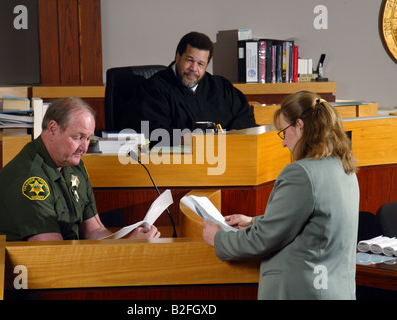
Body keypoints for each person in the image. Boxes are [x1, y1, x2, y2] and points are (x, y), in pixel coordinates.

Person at [202, 91, 359, 300]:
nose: (284, 143)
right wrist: (253, 221)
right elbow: (316, 223)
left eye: (284, 132)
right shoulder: (343, 167)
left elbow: (263, 239)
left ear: (300, 126)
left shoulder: (301, 173)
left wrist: (219, 239)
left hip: (303, 292)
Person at [0, 97, 160, 241]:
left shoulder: (73, 164)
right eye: (78, 137)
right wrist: (126, 248)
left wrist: (128, 242)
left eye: (88, 138)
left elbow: (94, 230)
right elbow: (51, 251)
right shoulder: (30, 179)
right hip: (13, 277)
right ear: (53, 129)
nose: (84, 147)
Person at [126, 31, 257, 145]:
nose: (194, 68)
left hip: (227, 158)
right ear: (178, 57)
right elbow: (151, 131)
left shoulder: (221, 87)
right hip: (177, 164)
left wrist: (236, 134)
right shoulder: (154, 89)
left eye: (201, 64)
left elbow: (245, 119)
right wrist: (185, 139)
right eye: (189, 60)